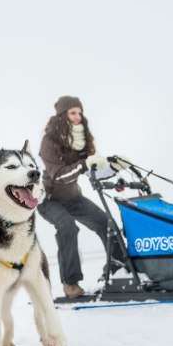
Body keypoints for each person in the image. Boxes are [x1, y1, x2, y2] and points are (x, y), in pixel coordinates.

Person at [37, 96, 127, 298]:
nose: (78, 117)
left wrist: (113, 167)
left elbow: (92, 169)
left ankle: (117, 269)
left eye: (79, 112)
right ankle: (70, 284)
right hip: (49, 199)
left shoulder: (82, 140)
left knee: (106, 223)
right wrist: (83, 164)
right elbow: (58, 175)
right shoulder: (49, 142)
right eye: (72, 113)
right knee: (67, 226)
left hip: (73, 198)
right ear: (62, 116)